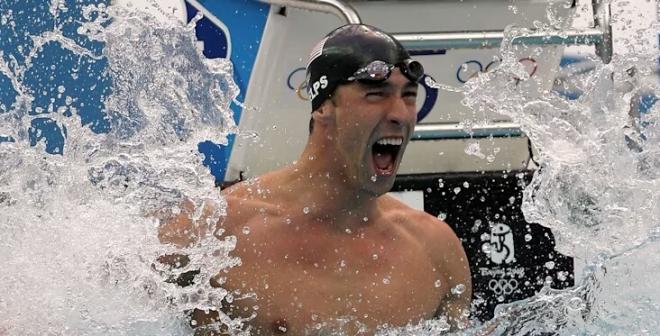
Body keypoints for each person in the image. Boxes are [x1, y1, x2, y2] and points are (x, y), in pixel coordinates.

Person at [158, 23, 471, 335]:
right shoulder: (215, 232)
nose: (400, 114)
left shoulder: (435, 251)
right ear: (324, 107)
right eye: (376, 95)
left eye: (409, 96)